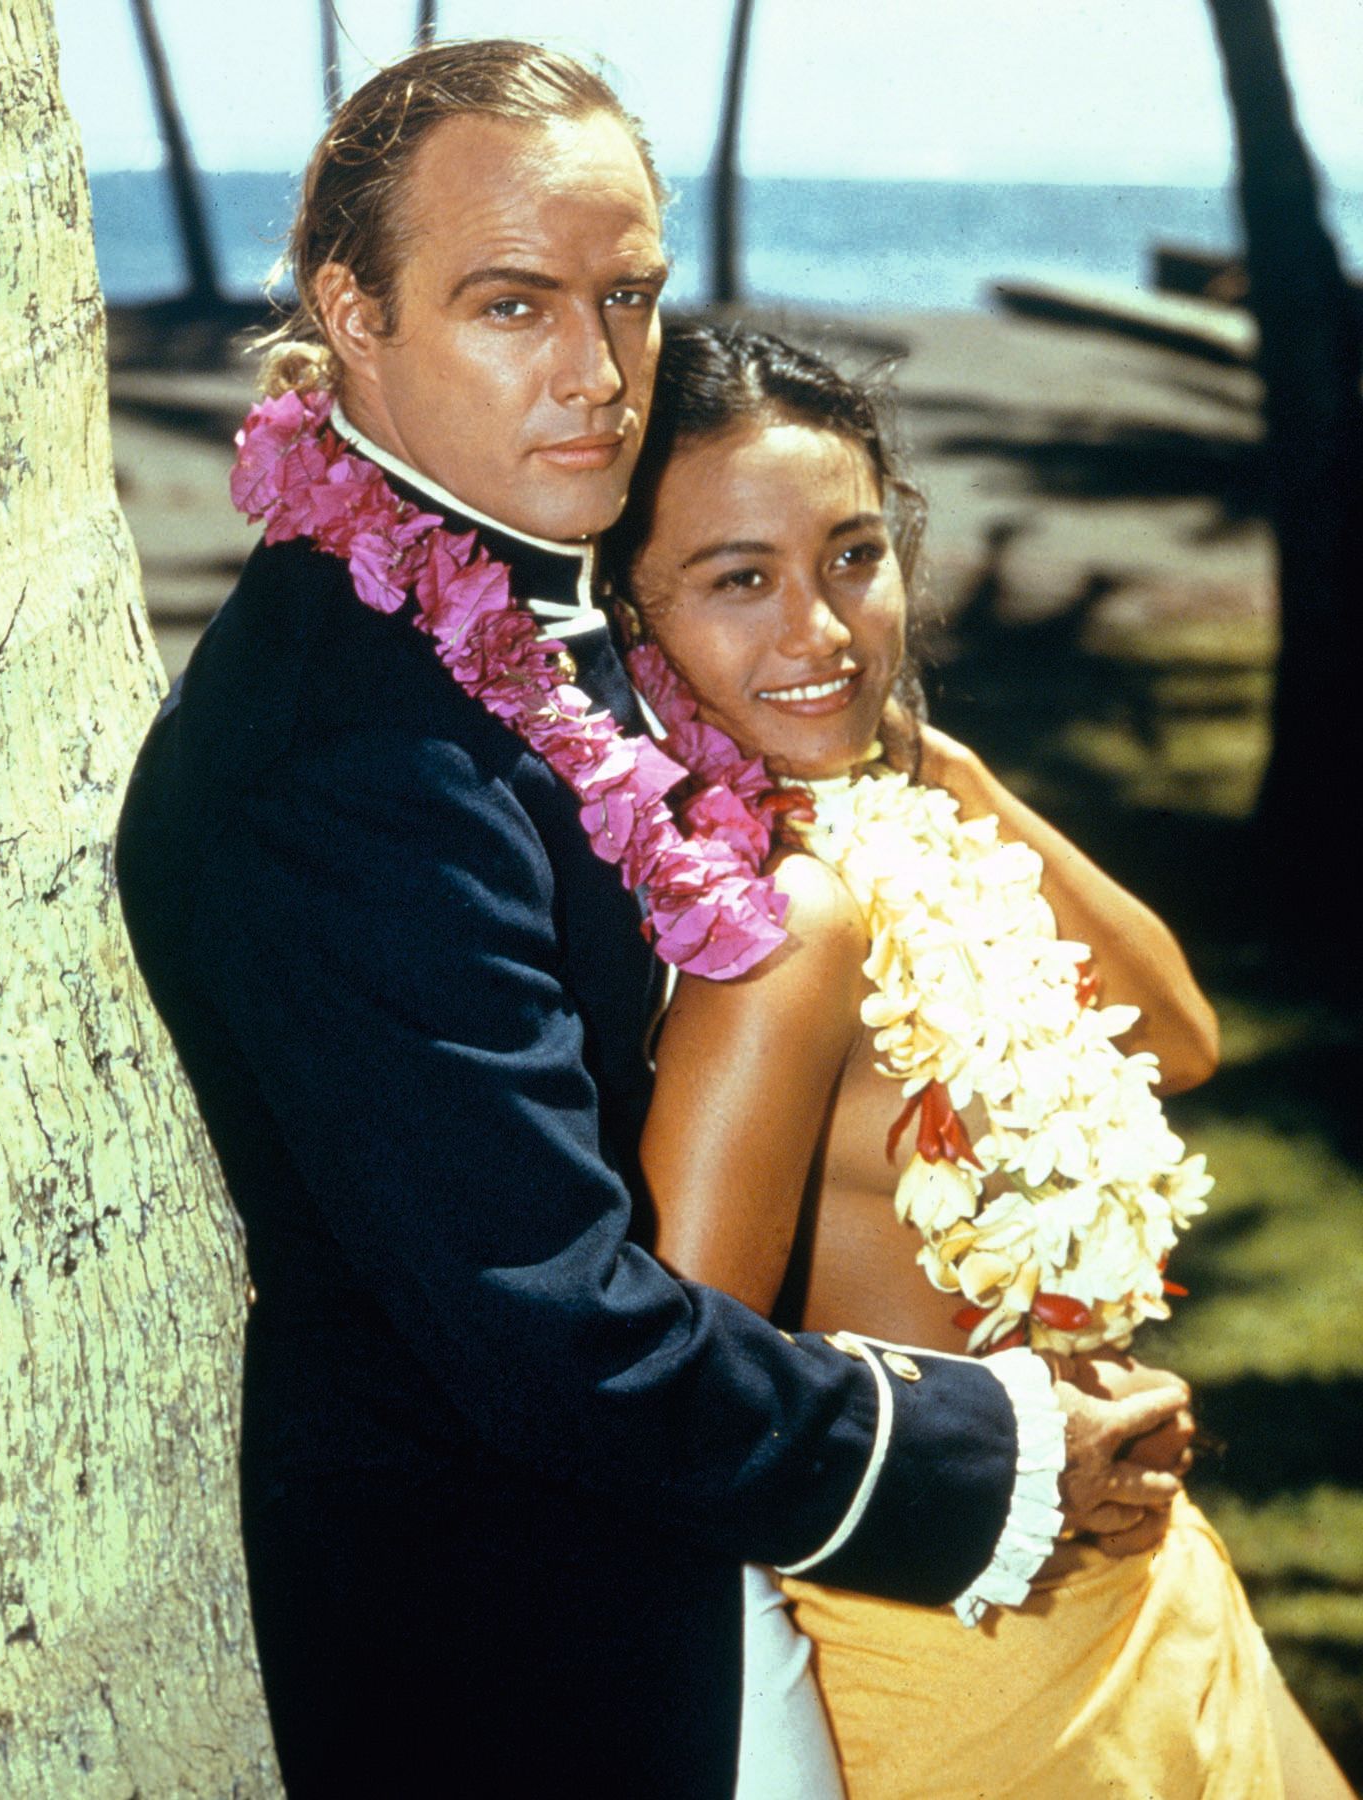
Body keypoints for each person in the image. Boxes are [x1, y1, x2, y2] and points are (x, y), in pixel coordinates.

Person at [114, 41, 1194, 1797]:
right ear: (354, 313)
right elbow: (554, 1327)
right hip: (539, 1653)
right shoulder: (348, 754)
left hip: (682, 1567)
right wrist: (987, 1452)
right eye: (514, 305)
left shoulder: (519, 619)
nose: (603, 375)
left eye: (626, 297)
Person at [605, 319, 1357, 1799]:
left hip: (1156, 1593)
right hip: (972, 1658)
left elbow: (1178, 1035)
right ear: (634, 627)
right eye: (739, 580)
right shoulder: (779, 927)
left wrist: (940, 766)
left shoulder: (908, 825)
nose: (823, 631)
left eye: (852, 557)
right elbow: (685, 1389)